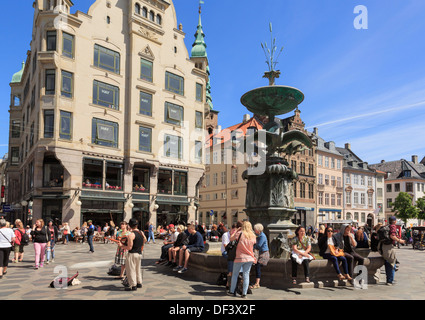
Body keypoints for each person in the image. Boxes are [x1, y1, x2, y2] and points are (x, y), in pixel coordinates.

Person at [227, 221, 257, 298]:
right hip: (250, 258)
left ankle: (231, 291)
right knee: (246, 275)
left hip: (239, 257)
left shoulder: (239, 233)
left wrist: (236, 231)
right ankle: (244, 293)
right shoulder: (253, 235)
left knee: (235, 275)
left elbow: (231, 238)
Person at [119, 218, 147, 291]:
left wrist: (121, 245)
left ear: (130, 226)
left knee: (131, 269)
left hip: (132, 254)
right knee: (138, 269)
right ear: (136, 225)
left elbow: (129, 247)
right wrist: (140, 245)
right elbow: (145, 240)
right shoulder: (141, 232)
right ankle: (139, 283)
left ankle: (133, 285)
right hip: (139, 253)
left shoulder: (131, 235)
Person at [379, 216, 406, 285]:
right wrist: (400, 241)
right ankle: (390, 280)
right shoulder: (393, 226)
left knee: (388, 262)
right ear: (394, 221)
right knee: (391, 263)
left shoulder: (386, 226)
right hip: (389, 246)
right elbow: (392, 236)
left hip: (383, 246)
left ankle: (389, 279)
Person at [250, 223, 269, 289]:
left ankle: (257, 283)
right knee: (256, 266)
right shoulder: (259, 235)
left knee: (257, 266)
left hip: (264, 254)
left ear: (258, 230)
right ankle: (256, 282)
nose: (254, 230)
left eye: (255, 229)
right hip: (261, 253)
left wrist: (252, 246)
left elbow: (258, 246)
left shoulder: (262, 236)